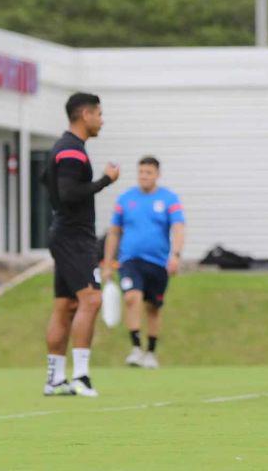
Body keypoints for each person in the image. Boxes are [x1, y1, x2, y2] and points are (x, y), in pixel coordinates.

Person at [43, 92, 119, 397]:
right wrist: (105, 181)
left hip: (64, 233)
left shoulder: (63, 148)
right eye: (99, 114)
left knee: (66, 305)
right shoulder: (72, 150)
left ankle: (54, 379)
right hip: (74, 237)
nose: (102, 120)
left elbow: (45, 179)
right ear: (84, 114)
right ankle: (81, 377)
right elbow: (70, 192)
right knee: (91, 300)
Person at [102, 156, 185, 369]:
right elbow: (114, 232)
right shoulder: (125, 199)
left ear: (157, 174)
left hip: (157, 262)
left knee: (153, 308)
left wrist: (175, 255)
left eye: (148, 173)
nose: (144, 176)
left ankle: (151, 352)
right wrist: (108, 262)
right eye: (141, 172)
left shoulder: (169, 199)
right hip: (130, 259)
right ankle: (136, 348)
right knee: (131, 297)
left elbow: (178, 228)